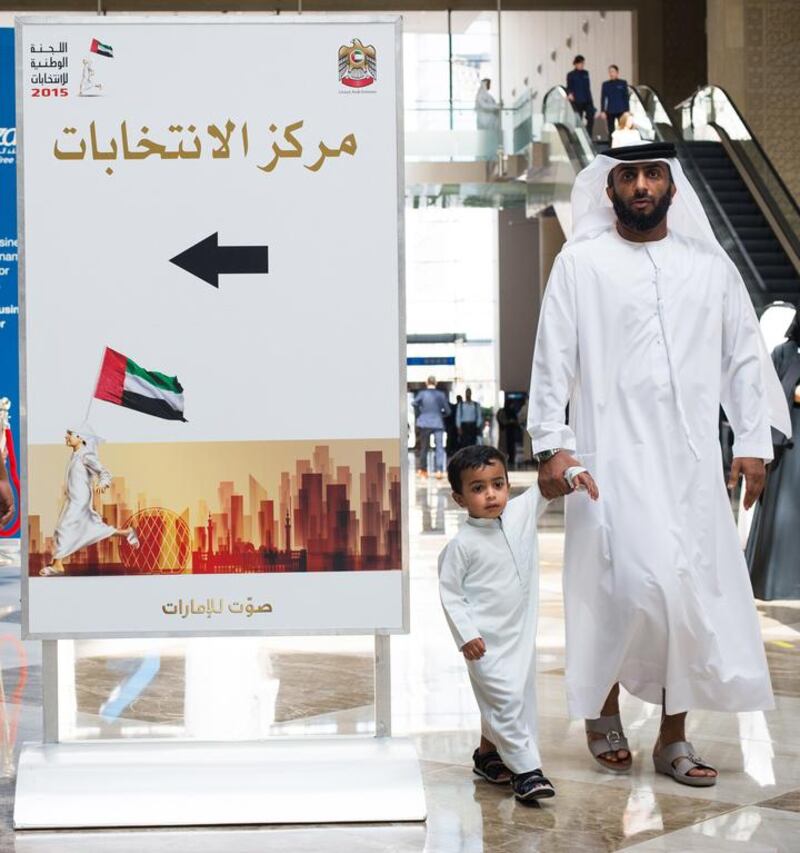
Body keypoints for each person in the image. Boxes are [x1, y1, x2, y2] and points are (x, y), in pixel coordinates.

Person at [528, 141, 791, 787]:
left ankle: (675, 733)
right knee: (623, 590)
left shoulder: (709, 267)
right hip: (606, 459)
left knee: (685, 595)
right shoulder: (580, 263)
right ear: (608, 187)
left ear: (671, 186)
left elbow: (744, 360)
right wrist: (551, 441)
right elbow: (551, 355)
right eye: (627, 176)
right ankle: (605, 708)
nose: (641, 185)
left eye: (651, 175)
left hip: (691, 464)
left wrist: (753, 441)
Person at [438, 444, 598, 802]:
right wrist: (467, 635)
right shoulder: (461, 546)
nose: (491, 494)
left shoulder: (520, 513)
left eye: (498, 484)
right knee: (506, 699)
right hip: (485, 643)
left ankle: (486, 755)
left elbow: (547, 487)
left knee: (510, 699)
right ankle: (527, 772)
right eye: (478, 488)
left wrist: (575, 474)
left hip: (520, 636)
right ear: (459, 498)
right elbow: (451, 595)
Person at [746, 306, 800, 600]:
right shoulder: (784, 352)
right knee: (779, 516)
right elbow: (769, 393)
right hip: (787, 447)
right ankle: (774, 583)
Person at [40, 425, 139, 576]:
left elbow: (104, 472)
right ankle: (127, 533)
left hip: (80, 499)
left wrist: (103, 483)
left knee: (63, 528)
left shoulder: (85, 455)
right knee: (92, 528)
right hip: (72, 498)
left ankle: (57, 564)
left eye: (70, 434)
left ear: (80, 438)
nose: (66, 437)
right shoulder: (75, 454)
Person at [413, 377, 450, 479]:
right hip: (438, 423)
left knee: (424, 447)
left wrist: (420, 413)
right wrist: (440, 414)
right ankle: (439, 470)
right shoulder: (441, 395)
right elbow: (448, 411)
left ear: (426, 383)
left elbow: (414, 403)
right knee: (439, 448)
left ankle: (423, 470)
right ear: (436, 383)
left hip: (424, 423)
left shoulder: (422, 394)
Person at [566, 55, 595, 137]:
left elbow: (588, 87)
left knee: (590, 117)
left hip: (587, 99)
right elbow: (569, 86)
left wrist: (591, 100)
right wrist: (569, 94)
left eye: (583, 63)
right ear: (575, 64)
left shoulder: (586, 73)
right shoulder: (571, 75)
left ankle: (589, 136)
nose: (582, 65)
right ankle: (579, 137)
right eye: (580, 63)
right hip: (577, 100)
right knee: (578, 119)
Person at [600, 65, 630, 143]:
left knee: (622, 128)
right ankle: (611, 145)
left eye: (613, 71)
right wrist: (603, 110)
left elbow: (626, 97)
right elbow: (603, 98)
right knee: (611, 130)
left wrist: (627, 110)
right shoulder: (605, 84)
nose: (611, 73)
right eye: (610, 72)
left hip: (621, 110)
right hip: (610, 110)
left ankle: (622, 143)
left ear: (617, 73)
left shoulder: (623, 83)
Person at [496, 400, 522, 468]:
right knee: (504, 447)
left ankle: (511, 459)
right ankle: (504, 459)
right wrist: (509, 422)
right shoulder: (502, 411)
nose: (512, 406)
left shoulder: (511, 412)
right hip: (505, 432)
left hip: (511, 432)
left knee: (511, 447)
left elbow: (516, 422)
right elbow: (501, 421)